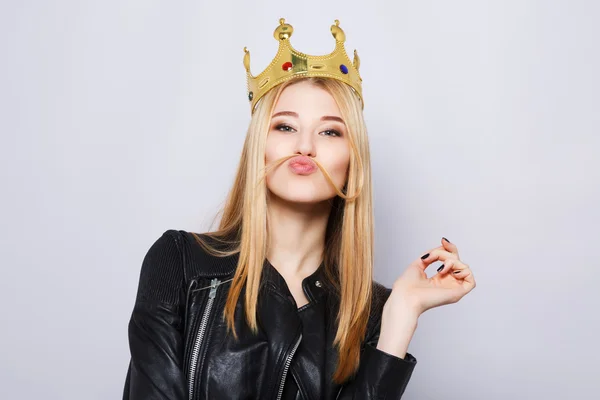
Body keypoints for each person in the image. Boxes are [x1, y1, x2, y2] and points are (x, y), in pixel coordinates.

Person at [122, 18, 476, 400]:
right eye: (285, 127)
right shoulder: (180, 262)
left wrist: (401, 313)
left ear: (352, 163)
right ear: (259, 147)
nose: (305, 146)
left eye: (330, 131)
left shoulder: (373, 311)